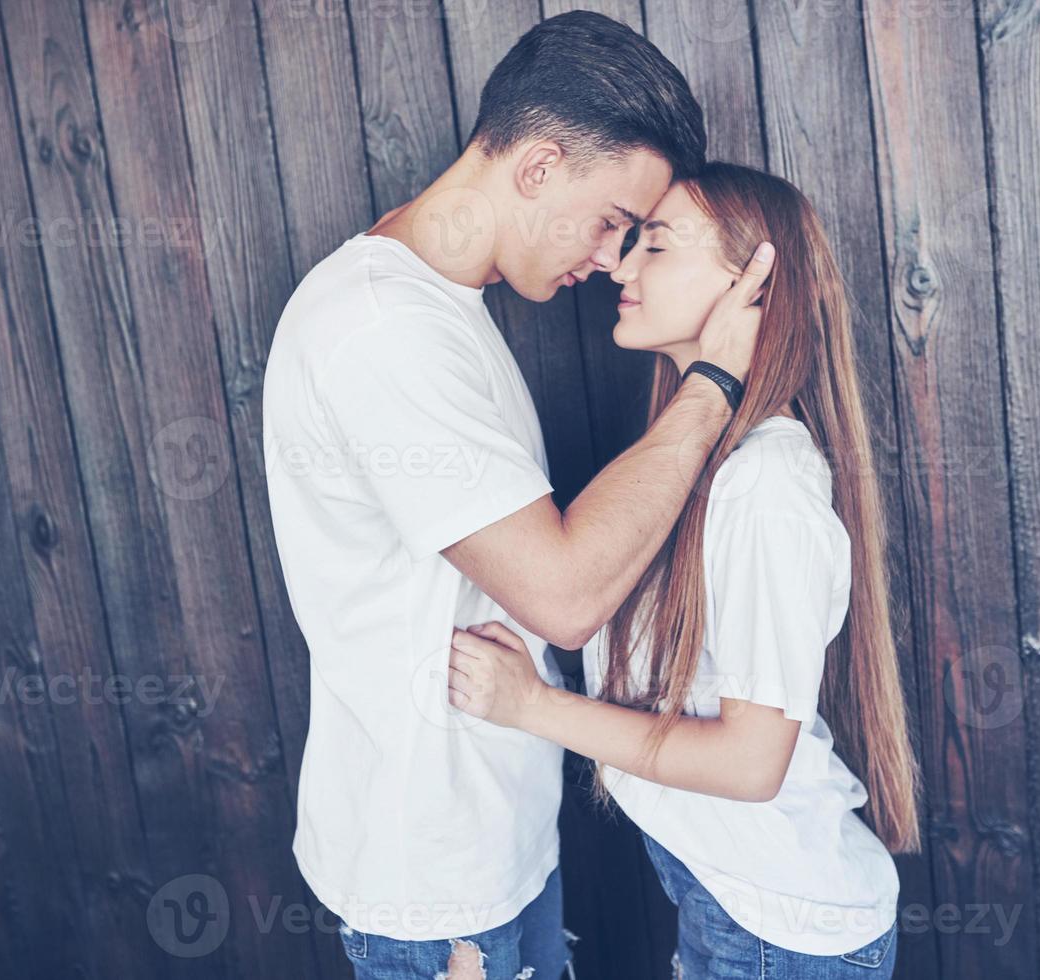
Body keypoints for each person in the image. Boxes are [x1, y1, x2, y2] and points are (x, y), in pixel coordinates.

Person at [262, 13, 770, 980]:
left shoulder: (436, 310)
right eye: (615, 223)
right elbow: (566, 598)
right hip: (438, 884)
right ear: (537, 168)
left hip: (488, 851)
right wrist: (713, 388)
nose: (615, 260)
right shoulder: (383, 332)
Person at [448, 163, 923, 978]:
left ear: (753, 289)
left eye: (655, 248)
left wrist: (531, 706)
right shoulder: (702, 456)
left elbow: (749, 762)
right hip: (734, 907)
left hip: (782, 935)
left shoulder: (766, 483)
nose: (620, 269)